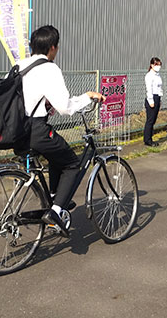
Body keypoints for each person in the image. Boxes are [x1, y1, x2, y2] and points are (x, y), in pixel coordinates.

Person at [16, 25, 105, 237]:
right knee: (72, 164)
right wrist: (87, 96)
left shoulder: (20, 65)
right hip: (36, 129)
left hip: (16, 129)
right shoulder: (49, 68)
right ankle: (55, 212)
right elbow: (65, 107)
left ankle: (56, 197)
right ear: (53, 47)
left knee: (58, 156)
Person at [144, 57, 163, 146]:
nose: (158, 66)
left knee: (154, 119)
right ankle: (148, 140)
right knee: (150, 120)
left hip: (157, 97)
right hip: (151, 98)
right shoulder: (149, 75)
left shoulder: (157, 75)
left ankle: (150, 137)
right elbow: (149, 89)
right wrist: (151, 101)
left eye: (159, 64)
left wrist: (159, 98)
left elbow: (159, 87)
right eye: (156, 64)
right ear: (152, 65)